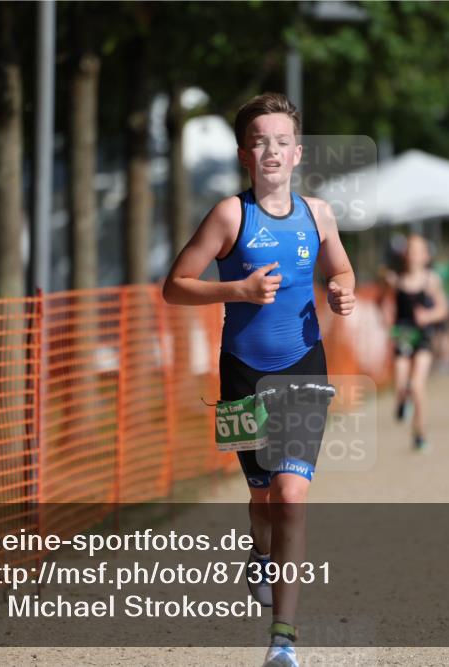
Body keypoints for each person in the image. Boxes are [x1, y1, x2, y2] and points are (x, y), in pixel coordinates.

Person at [162, 92, 355, 667]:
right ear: (246, 155)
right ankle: (258, 550)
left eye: (281, 141)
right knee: (262, 500)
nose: (271, 150)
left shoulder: (319, 213)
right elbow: (174, 286)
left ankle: (283, 640)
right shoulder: (229, 215)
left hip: (303, 366)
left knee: (290, 497)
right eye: (259, 141)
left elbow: (340, 264)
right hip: (241, 373)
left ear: (297, 153)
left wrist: (343, 286)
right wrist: (237, 291)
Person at [384, 234, 449, 451]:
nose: (413, 255)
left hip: (423, 336)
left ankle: (419, 432)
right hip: (402, 334)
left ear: (426, 256)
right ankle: (402, 401)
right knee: (401, 382)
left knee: (417, 384)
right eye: (409, 250)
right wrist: (387, 322)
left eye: (417, 251)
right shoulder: (397, 281)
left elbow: (443, 309)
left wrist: (428, 316)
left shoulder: (431, 280)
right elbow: (388, 306)